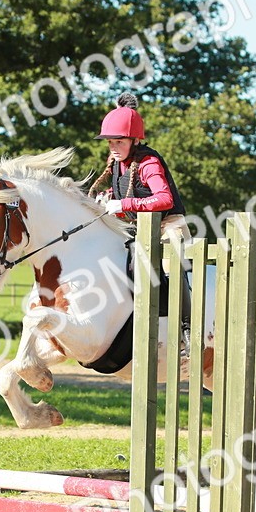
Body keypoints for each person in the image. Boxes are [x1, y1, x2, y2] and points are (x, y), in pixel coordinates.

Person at [90, 93, 193, 357]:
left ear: (134, 140)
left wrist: (124, 205)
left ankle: (188, 329)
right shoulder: (117, 165)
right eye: (110, 141)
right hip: (141, 230)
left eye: (119, 141)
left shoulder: (148, 162)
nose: (113, 146)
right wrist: (109, 204)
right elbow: (128, 204)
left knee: (171, 269)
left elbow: (164, 199)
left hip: (169, 225)